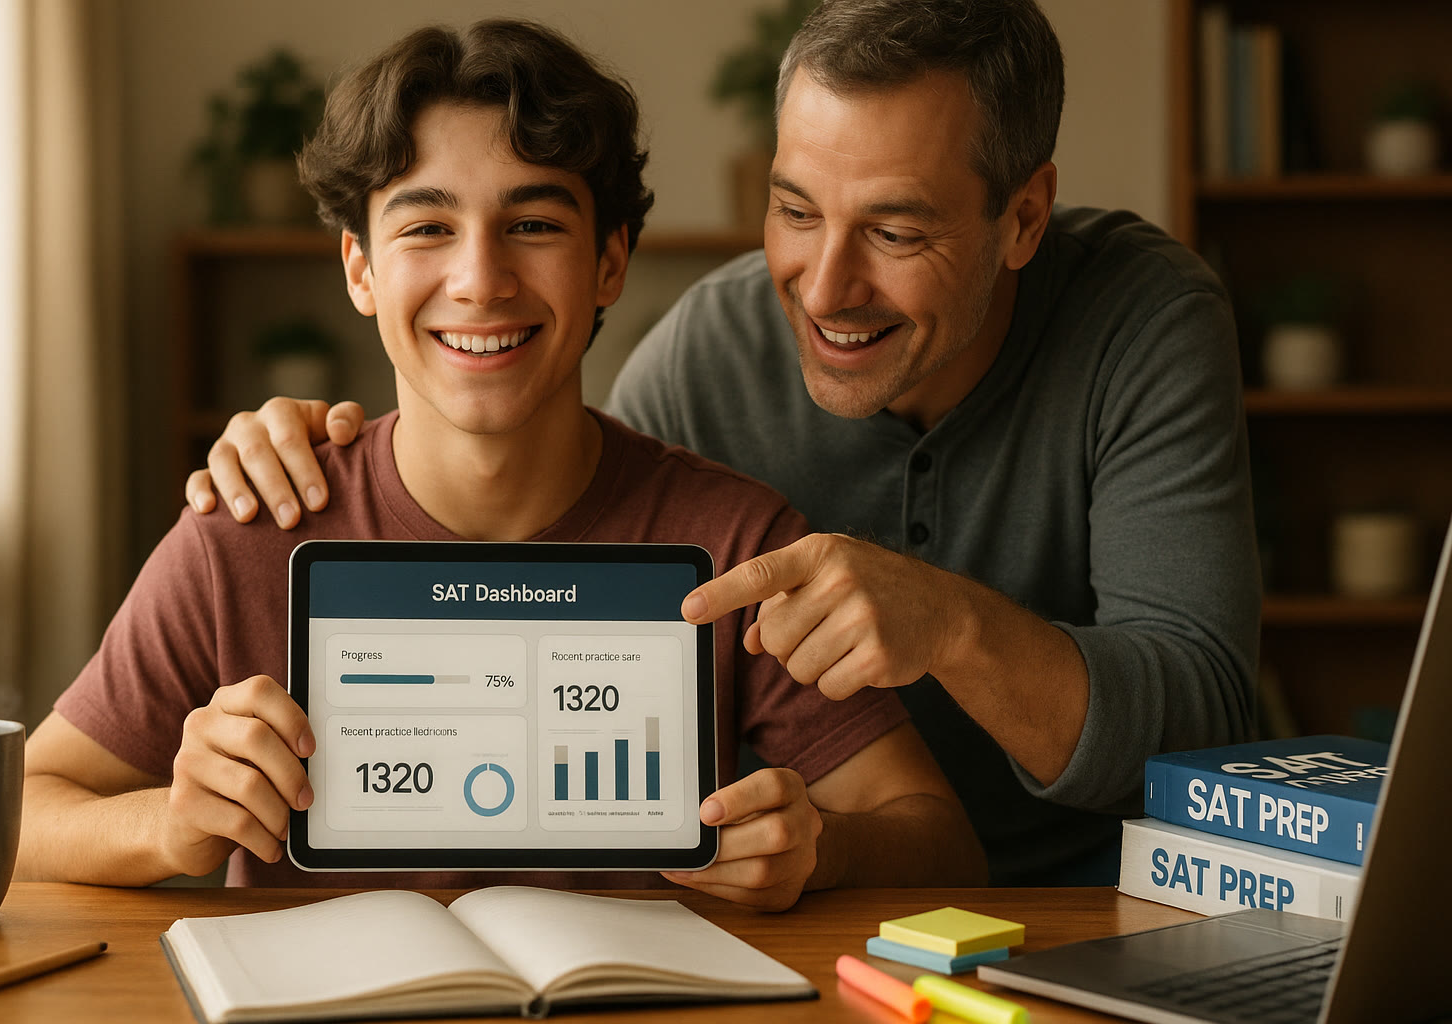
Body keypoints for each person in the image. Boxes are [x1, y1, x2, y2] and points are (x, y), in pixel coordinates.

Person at [184, 0, 1261, 885]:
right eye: (795, 211)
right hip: (825, 917)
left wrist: (952, 627)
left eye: (894, 231)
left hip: (1115, 895)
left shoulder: (1142, 318)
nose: (825, 288)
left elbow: (1201, 724)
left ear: (1023, 218)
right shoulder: (705, 353)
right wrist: (337, 446)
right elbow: (555, 547)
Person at [20, 18, 986, 910]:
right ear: (360, 268)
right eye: (426, 226)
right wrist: (173, 826)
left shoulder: (737, 544)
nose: (480, 280)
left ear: (609, 264)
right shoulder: (250, 523)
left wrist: (825, 850)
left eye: (532, 224)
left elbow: (940, 842)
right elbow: (25, 806)